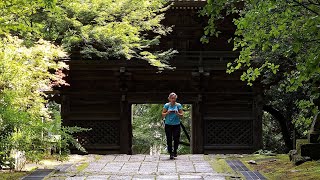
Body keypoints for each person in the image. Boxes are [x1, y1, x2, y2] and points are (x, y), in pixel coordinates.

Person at [162, 92, 183, 159]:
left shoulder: (178, 105)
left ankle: (175, 151)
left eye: (174, 98)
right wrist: (167, 112)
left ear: (176, 98)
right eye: (171, 98)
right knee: (169, 139)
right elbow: (162, 115)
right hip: (168, 124)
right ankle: (171, 153)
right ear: (169, 99)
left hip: (176, 124)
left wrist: (178, 114)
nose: (173, 99)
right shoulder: (166, 105)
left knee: (176, 138)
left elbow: (182, 116)